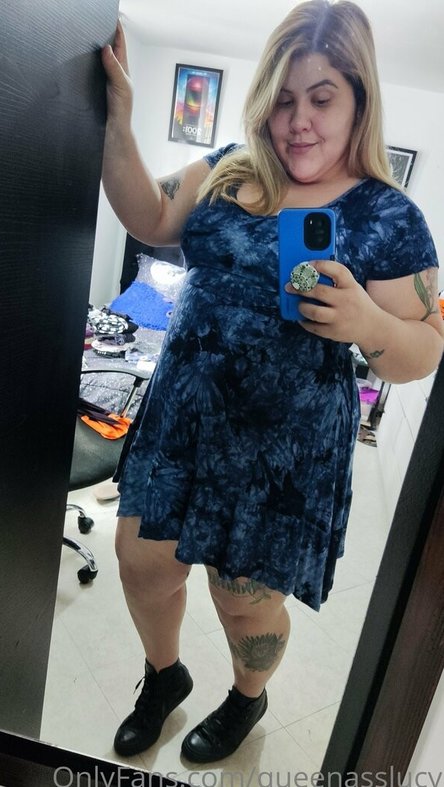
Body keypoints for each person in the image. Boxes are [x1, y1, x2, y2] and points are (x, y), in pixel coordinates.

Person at [100, 0, 443, 764]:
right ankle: (164, 675)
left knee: (242, 602)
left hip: (283, 455)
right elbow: (148, 215)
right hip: (183, 422)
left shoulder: (389, 217)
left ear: (359, 101)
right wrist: (118, 119)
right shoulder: (228, 168)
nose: (299, 121)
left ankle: (247, 696)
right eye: (284, 98)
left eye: (321, 98)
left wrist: (369, 323)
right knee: (141, 561)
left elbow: (425, 347)